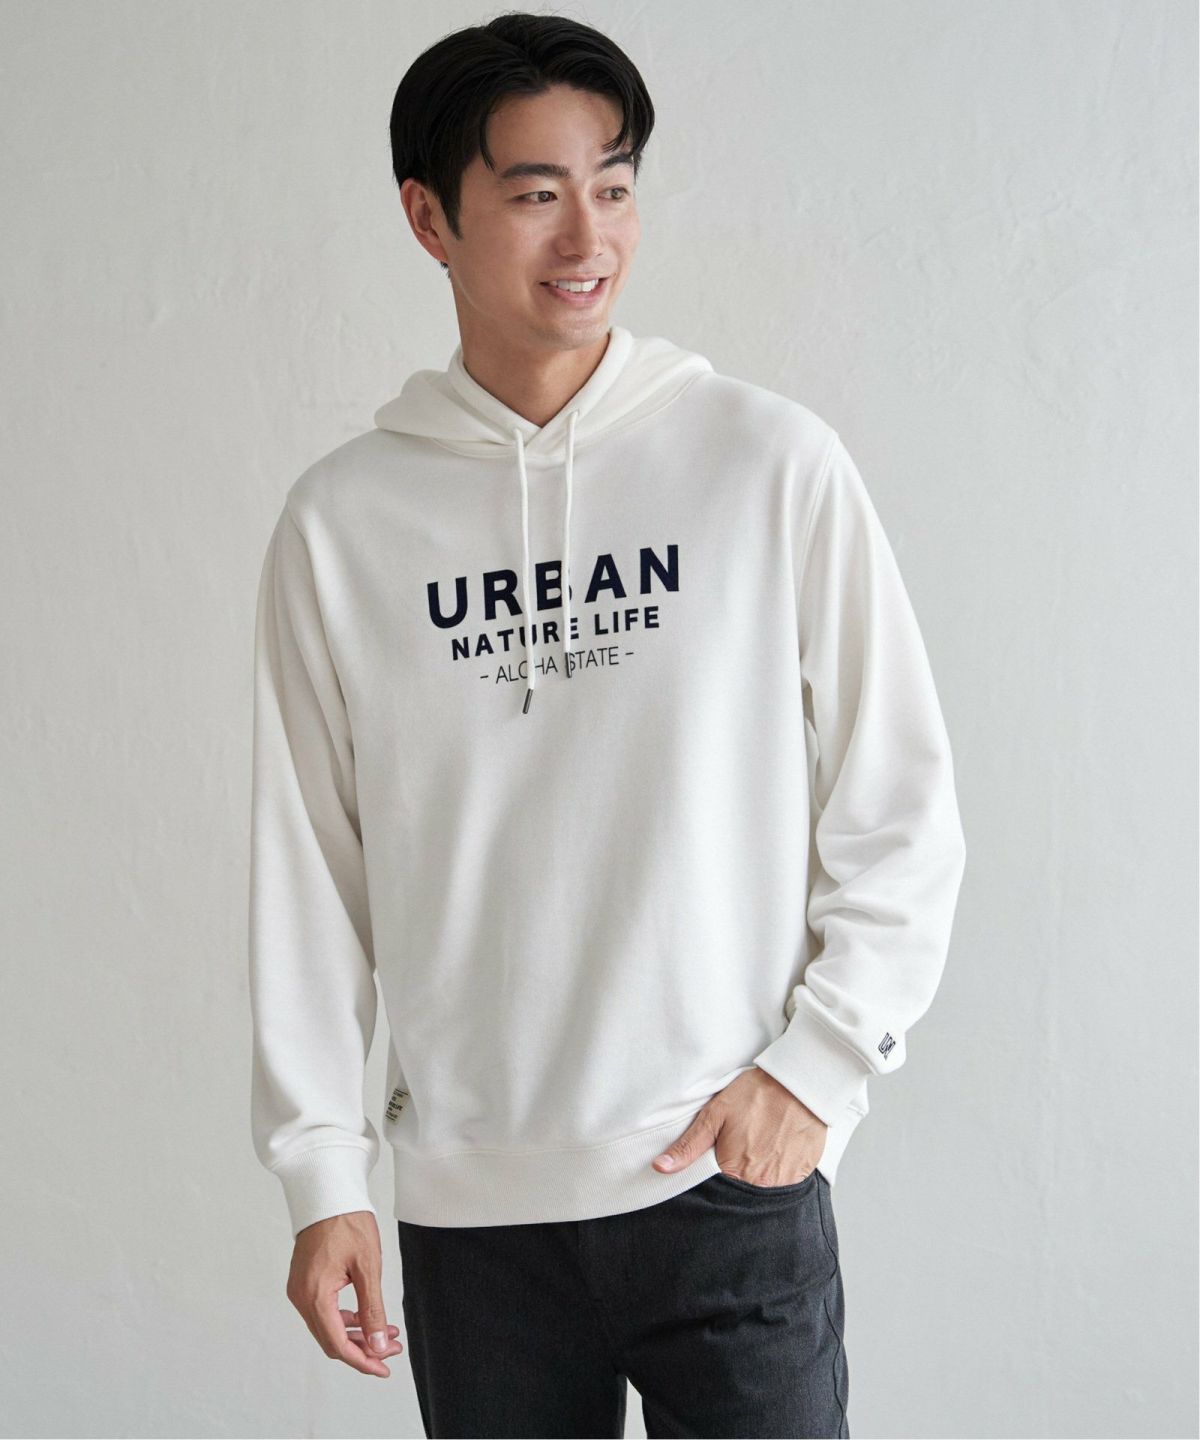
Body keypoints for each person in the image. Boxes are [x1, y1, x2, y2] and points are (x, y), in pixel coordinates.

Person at [247, 12, 967, 1438]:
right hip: (476, 1219)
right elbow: (311, 875)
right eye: (535, 193)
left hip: (724, 1183)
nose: (588, 237)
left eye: (615, 186)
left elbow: (900, 802)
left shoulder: (765, 463)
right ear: (429, 218)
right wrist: (323, 1176)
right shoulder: (344, 524)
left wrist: (819, 1068)